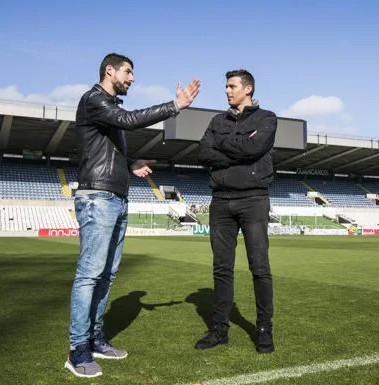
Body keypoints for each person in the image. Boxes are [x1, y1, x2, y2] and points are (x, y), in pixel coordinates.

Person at [65, 52, 200, 378]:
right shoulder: (94, 100)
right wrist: (174, 106)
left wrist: (129, 163)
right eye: (128, 72)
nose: (132, 78)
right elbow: (128, 120)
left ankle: (96, 339)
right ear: (109, 70)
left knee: (107, 275)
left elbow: (101, 147)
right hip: (97, 197)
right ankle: (77, 351)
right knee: (89, 275)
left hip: (116, 196)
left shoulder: (108, 111)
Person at [196, 69, 277, 353]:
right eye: (226, 86)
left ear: (249, 89)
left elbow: (254, 149)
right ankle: (219, 331)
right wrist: (240, 149)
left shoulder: (267, 118)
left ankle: (264, 329)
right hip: (220, 201)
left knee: (260, 268)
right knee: (221, 269)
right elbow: (203, 152)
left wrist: (224, 145)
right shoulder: (217, 120)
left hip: (253, 200)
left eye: (232, 86)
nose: (227, 91)